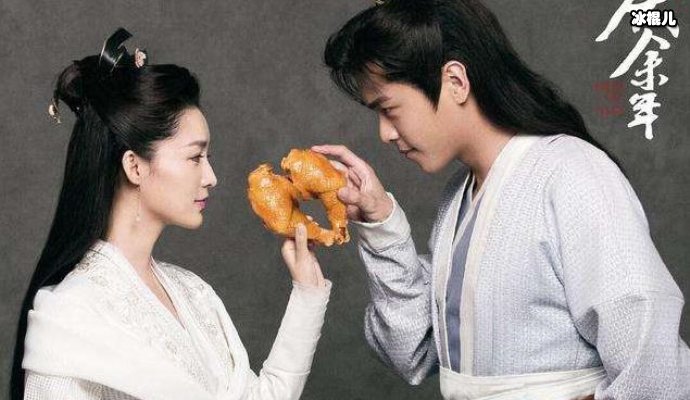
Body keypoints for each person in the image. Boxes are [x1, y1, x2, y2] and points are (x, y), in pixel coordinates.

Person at [315, 0, 690, 399]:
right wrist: (382, 225)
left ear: (455, 81)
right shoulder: (458, 198)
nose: (385, 133)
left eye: (389, 109)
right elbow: (410, 352)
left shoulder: (573, 173)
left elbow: (655, 370)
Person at [11, 28, 331, 400]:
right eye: (195, 157)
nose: (211, 177)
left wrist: (308, 294)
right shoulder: (71, 315)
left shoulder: (193, 292)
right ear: (134, 166)